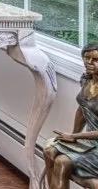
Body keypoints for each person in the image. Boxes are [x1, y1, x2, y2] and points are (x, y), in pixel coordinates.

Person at [44, 43, 98, 188]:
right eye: (86, 58)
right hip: (89, 140)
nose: (89, 63)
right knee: (50, 151)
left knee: (62, 162)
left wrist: (75, 137)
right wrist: (73, 134)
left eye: (95, 60)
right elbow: (82, 110)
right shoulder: (86, 79)